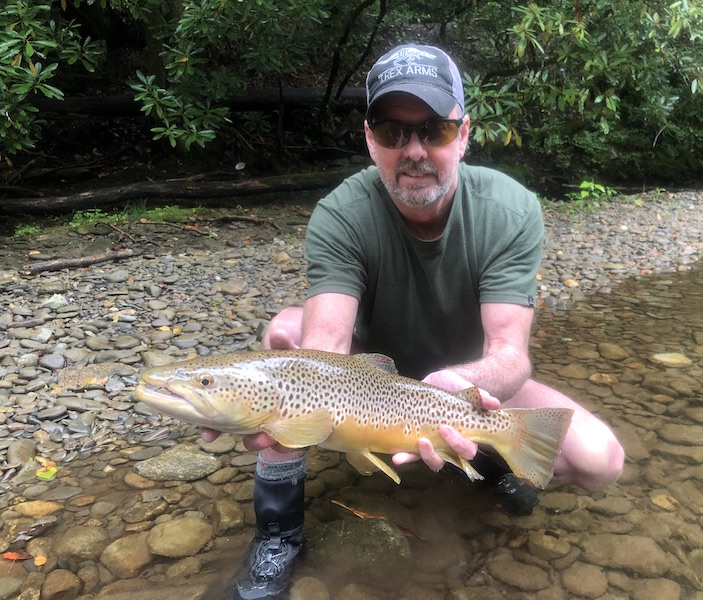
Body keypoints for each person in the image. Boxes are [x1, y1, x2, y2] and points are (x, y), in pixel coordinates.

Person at [212, 43, 625, 599]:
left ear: (464, 133)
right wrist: (262, 409)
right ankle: (279, 532)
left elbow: (510, 354)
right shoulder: (342, 213)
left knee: (601, 461)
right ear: (368, 138)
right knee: (289, 338)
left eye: (433, 130)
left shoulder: (509, 209)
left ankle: (473, 456)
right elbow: (326, 345)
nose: (414, 150)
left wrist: (458, 393)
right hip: (370, 381)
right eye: (392, 132)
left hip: (470, 387)